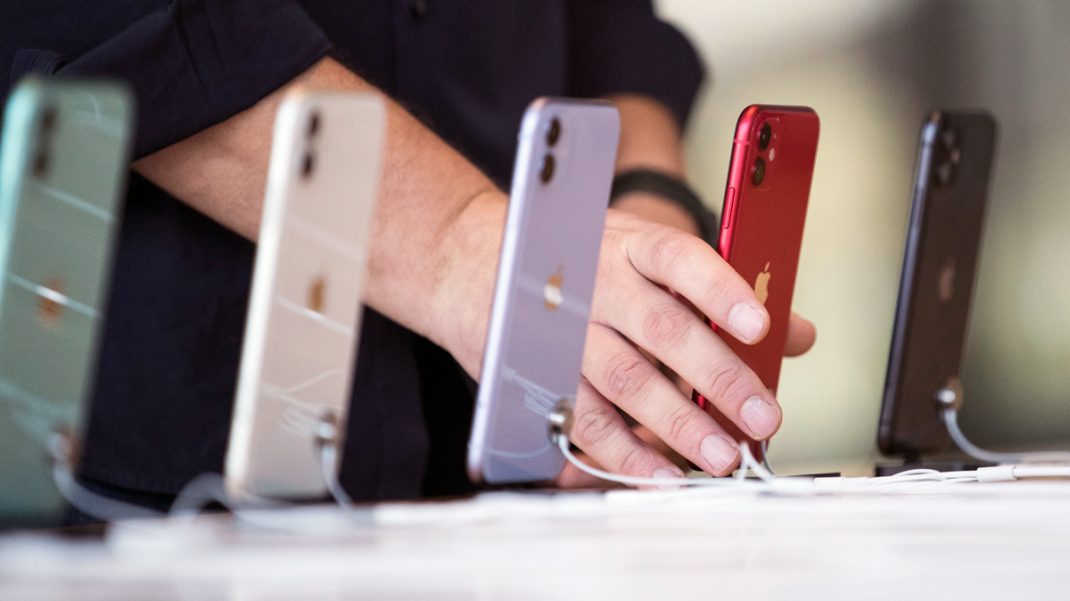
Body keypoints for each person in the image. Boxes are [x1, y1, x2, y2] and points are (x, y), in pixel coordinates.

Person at [1, 0, 816, 508]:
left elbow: (608, 23)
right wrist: (462, 246)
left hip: (520, 480)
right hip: (146, 477)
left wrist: (644, 209)